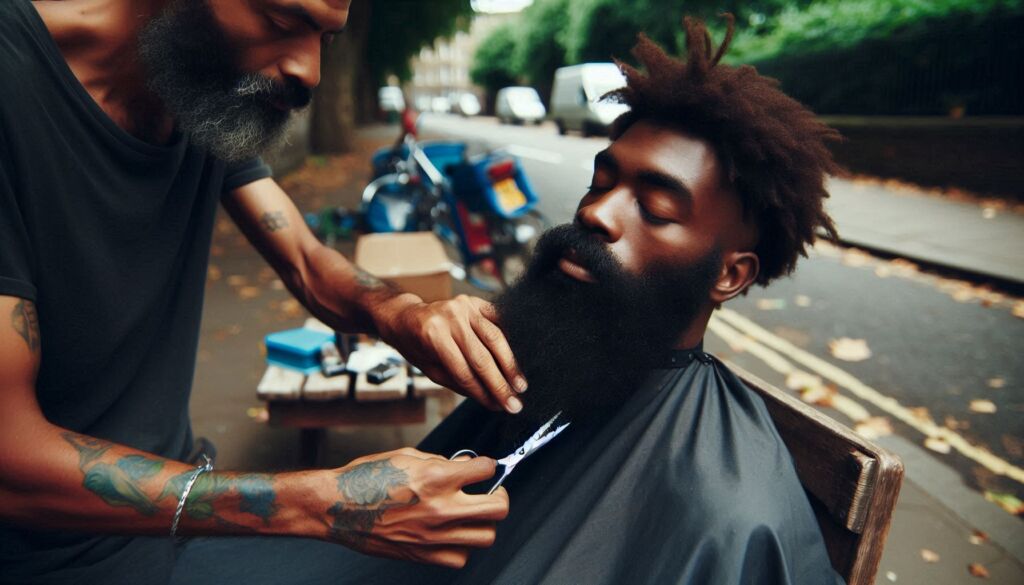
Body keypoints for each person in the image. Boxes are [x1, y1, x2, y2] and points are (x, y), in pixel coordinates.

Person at [162, 14, 848, 584]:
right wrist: (415, 317)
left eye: (656, 207)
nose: (598, 214)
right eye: (601, 181)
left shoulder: (728, 508)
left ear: (731, 275)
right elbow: (310, 265)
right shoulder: (561, 361)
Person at [0, 1, 527, 583]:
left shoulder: (192, 79)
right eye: (282, 23)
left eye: (324, 38)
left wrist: (406, 315)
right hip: (49, 557)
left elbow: (305, 260)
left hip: (182, 524)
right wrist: (318, 501)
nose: (310, 72)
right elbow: (9, 461)